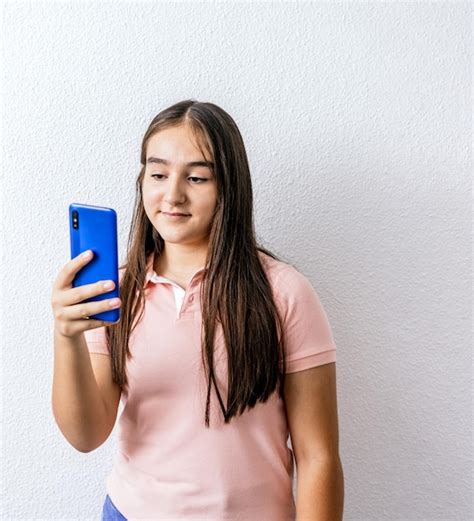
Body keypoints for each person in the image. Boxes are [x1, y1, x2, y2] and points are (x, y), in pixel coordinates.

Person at [51, 99, 344, 520]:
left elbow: (318, 457)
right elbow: (85, 434)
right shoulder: (116, 291)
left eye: (197, 177)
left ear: (228, 186)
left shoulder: (283, 293)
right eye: (158, 174)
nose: (173, 194)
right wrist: (67, 335)